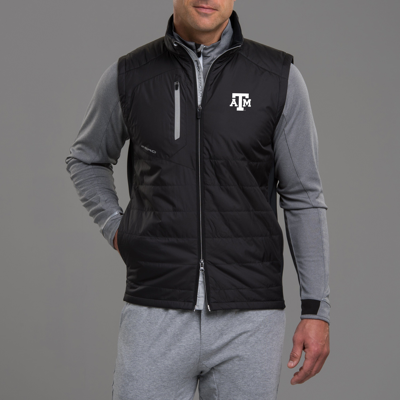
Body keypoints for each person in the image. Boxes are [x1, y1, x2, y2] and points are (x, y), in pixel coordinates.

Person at [65, 1, 330, 399]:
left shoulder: (278, 78)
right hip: (155, 309)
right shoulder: (130, 75)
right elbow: (85, 159)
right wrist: (118, 229)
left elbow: (303, 195)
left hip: (250, 319)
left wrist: (316, 309)